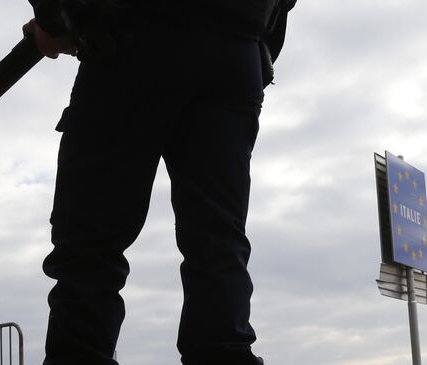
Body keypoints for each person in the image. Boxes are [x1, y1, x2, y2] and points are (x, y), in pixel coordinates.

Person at [22, 1, 296, 364]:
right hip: (235, 46)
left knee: (90, 243)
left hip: (128, 35)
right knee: (217, 238)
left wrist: (57, 19)